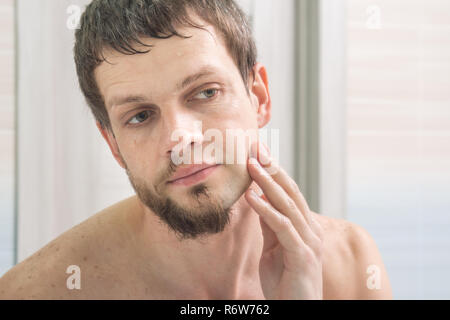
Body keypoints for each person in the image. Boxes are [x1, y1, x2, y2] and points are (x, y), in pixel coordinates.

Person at [0, 0, 392, 299]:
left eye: (205, 92)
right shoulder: (41, 291)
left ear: (258, 97)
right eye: (140, 116)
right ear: (113, 144)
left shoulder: (352, 267)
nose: (180, 139)